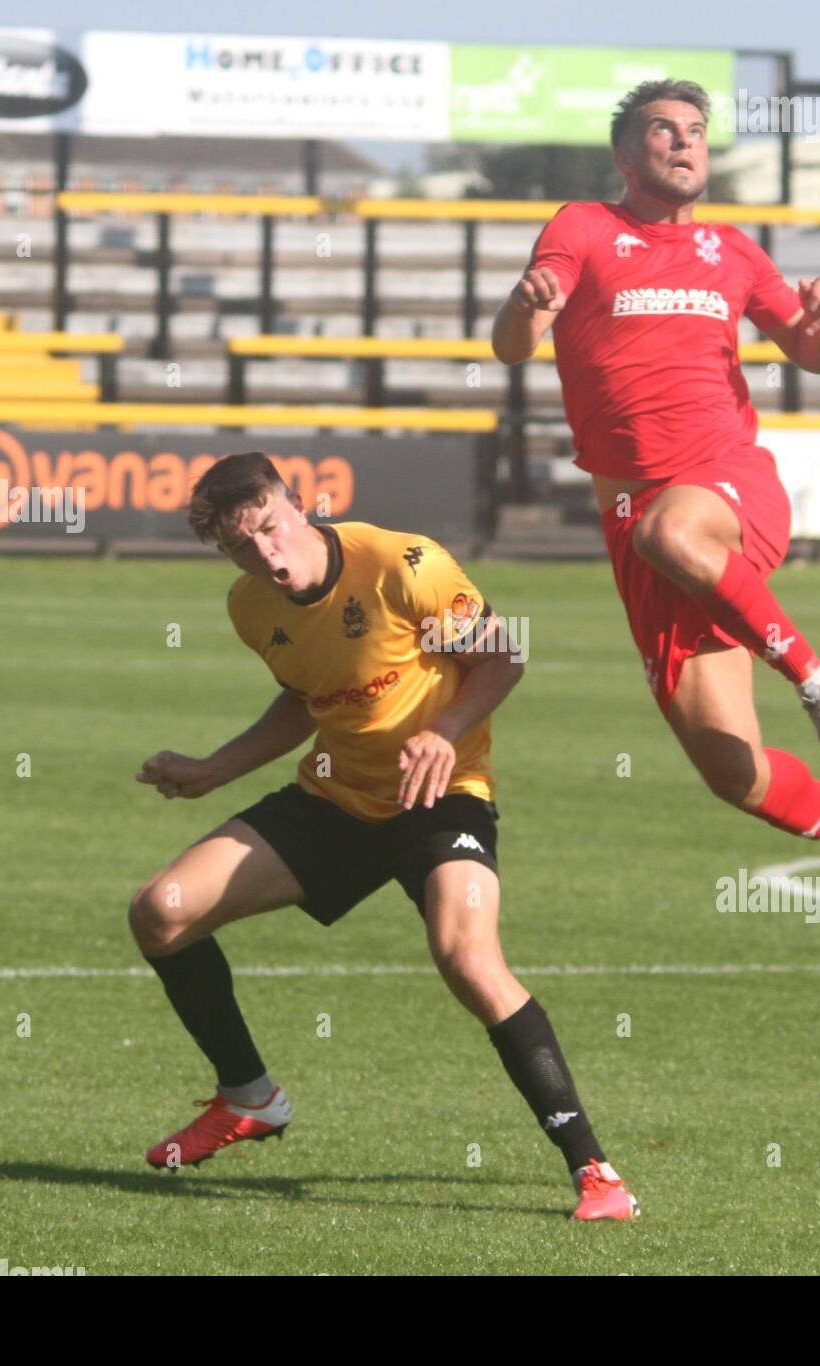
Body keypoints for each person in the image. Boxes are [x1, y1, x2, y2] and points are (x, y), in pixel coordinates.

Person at [129, 451, 638, 1221]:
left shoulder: (405, 564)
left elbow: (503, 655)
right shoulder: (250, 606)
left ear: (298, 504)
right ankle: (250, 1098)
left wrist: (446, 731)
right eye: (241, 547)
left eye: (270, 528)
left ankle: (595, 1172)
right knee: (161, 910)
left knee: (468, 958)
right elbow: (304, 703)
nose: (266, 555)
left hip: (442, 794)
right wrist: (212, 769)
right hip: (335, 798)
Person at [491, 79, 820, 916]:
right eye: (664, 131)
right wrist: (524, 309)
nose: (686, 143)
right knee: (733, 771)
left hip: (727, 490)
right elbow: (513, 346)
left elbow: (809, 351)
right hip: (638, 524)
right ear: (627, 155)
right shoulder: (584, 227)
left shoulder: (732, 248)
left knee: (672, 531)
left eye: (696, 131)